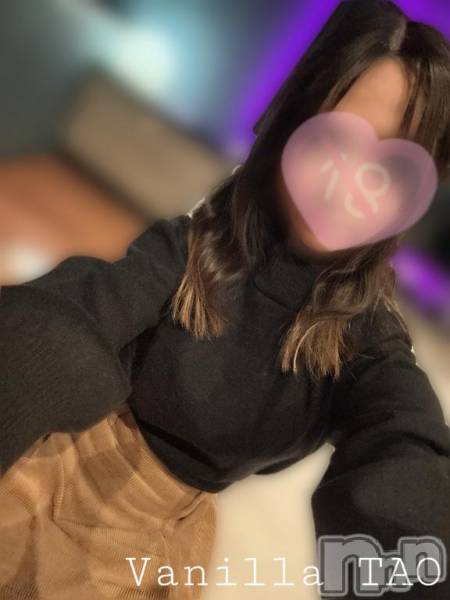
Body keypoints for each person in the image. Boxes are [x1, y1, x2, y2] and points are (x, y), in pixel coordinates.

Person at [0, 0, 449, 598]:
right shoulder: (195, 249)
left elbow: (402, 449)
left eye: (388, 169)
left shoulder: (367, 342)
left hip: (157, 542)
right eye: (337, 139)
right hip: (56, 465)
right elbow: (79, 316)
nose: (350, 183)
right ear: (296, 122)